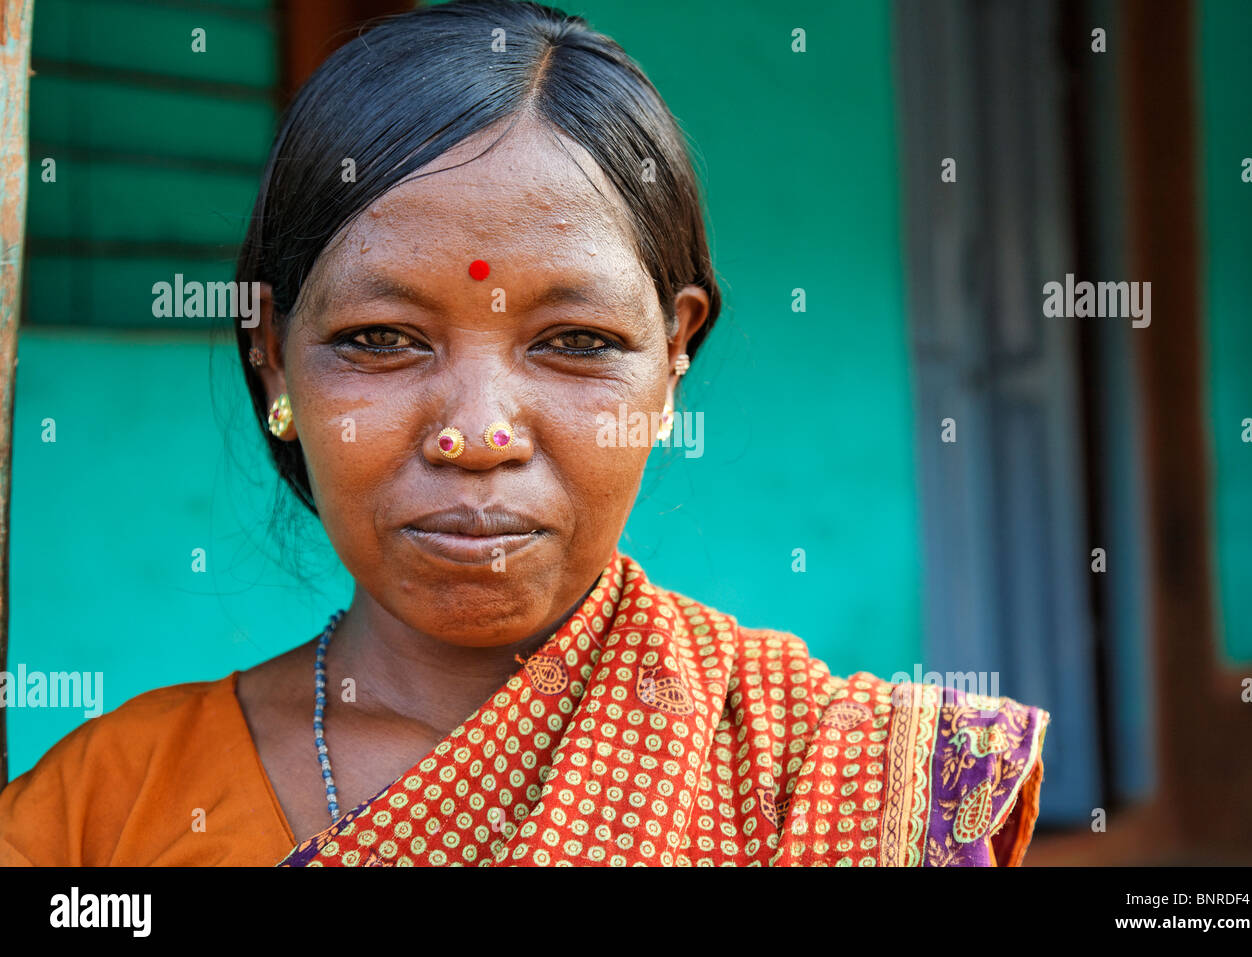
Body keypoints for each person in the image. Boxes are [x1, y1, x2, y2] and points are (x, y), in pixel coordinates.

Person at [0, 0, 1048, 867]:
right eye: (380, 337)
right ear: (274, 355)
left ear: (673, 355)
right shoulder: (102, 817)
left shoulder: (838, 779)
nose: (476, 434)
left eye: (577, 342)